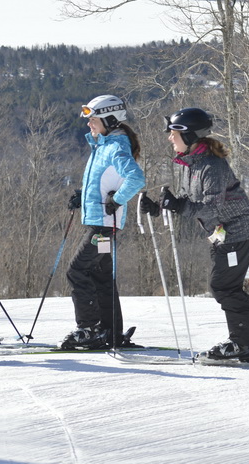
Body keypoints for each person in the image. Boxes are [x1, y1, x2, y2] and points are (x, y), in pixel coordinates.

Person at [156, 107, 249, 362]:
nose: (169, 138)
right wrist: (162, 206)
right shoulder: (192, 164)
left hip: (236, 231)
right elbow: (189, 198)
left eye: (173, 133)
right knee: (228, 286)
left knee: (223, 286)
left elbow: (211, 207)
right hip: (222, 233)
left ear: (190, 135)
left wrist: (179, 206)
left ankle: (242, 343)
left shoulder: (211, 165)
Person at [61, 95, 146, 349]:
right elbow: (104, 181)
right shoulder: (104, 145)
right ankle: (111, 332)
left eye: (93, 119)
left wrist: (117, 200)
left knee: (76, 270)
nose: (89, 124)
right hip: (101, 223)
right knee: (100, 276)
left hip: (103, 225)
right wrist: (82, 196)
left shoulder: (115, 146)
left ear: (109, 119)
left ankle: (88, 329)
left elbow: (136, 179)